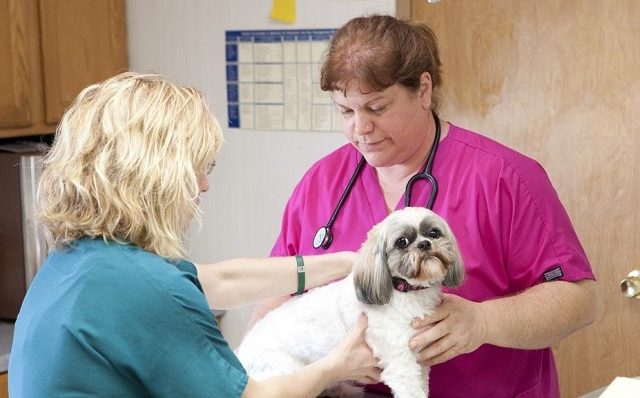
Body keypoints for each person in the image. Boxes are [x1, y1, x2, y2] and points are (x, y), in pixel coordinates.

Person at [248, 15, 599, 398]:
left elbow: (578, 300)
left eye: (376, 108)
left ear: (424, 90)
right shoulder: (321, 183)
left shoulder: (504, 178)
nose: (359, 129)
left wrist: (482, 322)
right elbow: (277, 297)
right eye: (346, 112)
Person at [8, 72, 381, 398]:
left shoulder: (79, 260)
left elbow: (220, 279)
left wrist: (345, 262)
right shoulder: (146, 290)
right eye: (198, 168)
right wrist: (337, 366)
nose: (204, 184)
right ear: (156, 174)